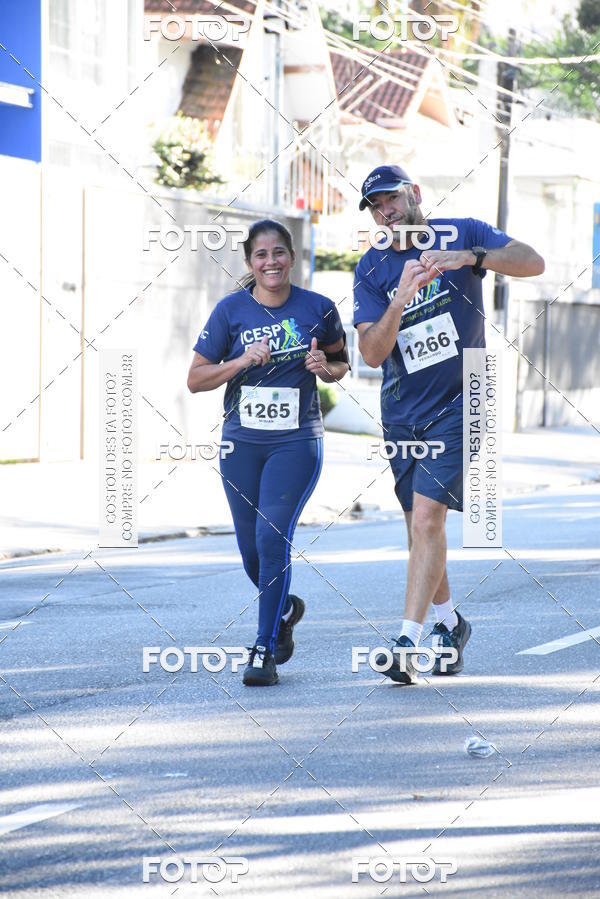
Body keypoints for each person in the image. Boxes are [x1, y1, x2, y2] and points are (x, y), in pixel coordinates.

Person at [353, 165, 545, 684]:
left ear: (414, 194)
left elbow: (533, 262)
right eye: (375, 206)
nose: (385, 211)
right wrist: (399, 299)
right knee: (418, 524)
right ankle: (449, 623)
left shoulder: (463, 232)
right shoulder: (371, 269)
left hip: (464, 397)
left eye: (391, 199)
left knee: (426, 521)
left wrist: (470, 258)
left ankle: (405, 644)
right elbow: (372, 354)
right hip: (402, 409)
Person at [188, 219, 349, 686]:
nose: (271, 262)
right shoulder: (230, 311)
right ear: (249, 262)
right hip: (241, 443)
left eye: (279, 252)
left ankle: (263, 651)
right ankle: (281, 613)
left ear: (292, 257)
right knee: (249, 551)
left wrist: (327, 368)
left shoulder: (318, 308)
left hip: (295, 442)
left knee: (270, 537)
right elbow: (195, 379)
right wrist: (240, 360)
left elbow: (342, 362)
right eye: (261, 255)